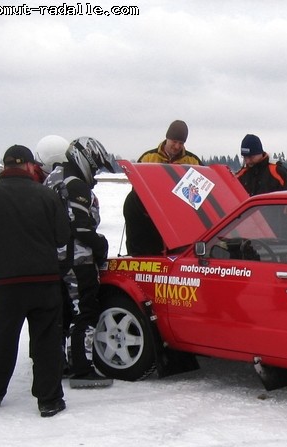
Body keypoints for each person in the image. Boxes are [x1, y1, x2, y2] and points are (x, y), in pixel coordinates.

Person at [0, 144, 70, 417]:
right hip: (45, 282)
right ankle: (49, 400)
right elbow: (62, 236)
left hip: (5, 284)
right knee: (47, 342)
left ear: (4, 166)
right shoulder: (47, 196)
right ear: (29, 166)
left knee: (2, 339)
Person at [44, 137, 115, 389]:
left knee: (62, 314)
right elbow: (81, 227)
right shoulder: (75, 186)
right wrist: (101, 245)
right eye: (94, 167)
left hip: (54, 259)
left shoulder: (52, 179)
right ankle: (83, 368)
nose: (94, 173)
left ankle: (60, 362)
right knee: (84, 312)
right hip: (77, 260)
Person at [124, 120, 201, 255]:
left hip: (179, 220)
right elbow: (137, 191)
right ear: (167, 138)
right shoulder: (148, 158)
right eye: (174, 141)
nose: (177, 146)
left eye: (181, 143)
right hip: (150, 219)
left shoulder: (193, 162)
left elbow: (200, 193)